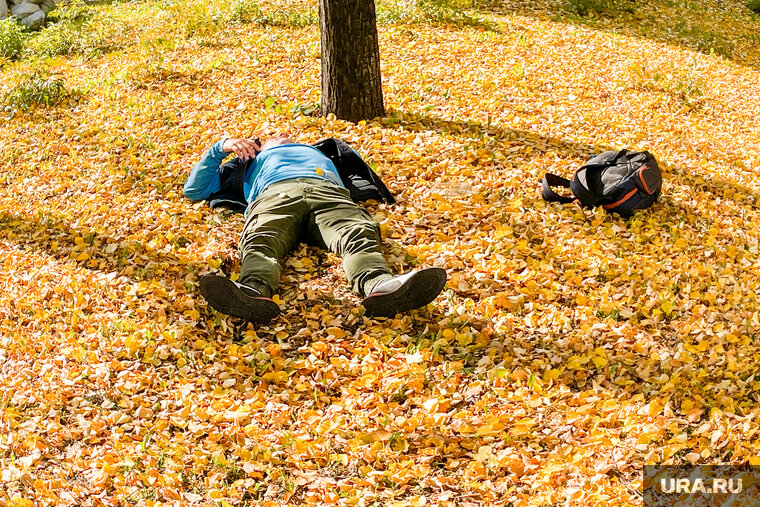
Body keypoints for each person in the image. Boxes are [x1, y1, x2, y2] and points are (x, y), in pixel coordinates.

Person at [184, 135, 447, 323]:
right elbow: (194, 190)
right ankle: (252, 289)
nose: (280, 134)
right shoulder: (249, 161)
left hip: (328, 192)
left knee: (357, 232)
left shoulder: (327, 151)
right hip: (276, 194)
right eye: (270, 136)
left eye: (285, 134)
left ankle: (379, 284)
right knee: (261, 239)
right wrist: (220, 148)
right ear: (258, 146)